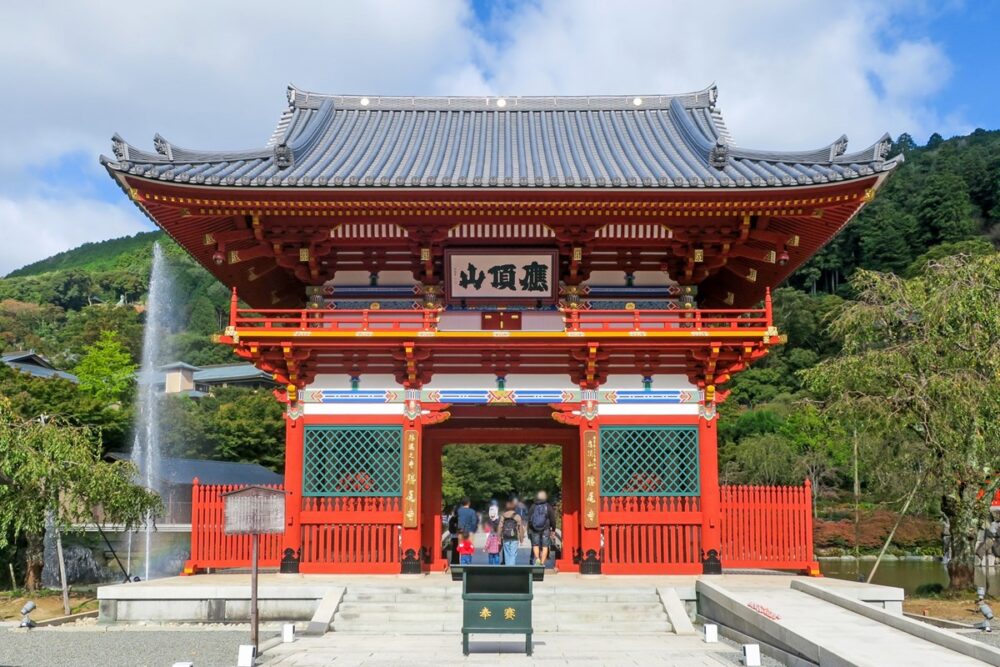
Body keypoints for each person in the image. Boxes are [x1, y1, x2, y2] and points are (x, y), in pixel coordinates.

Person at [527, 490, 558, 567]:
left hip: (534, 529)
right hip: (545, 529)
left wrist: (530, 527)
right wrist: (553, 529)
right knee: (545, 546)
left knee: (535, 545)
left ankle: (537, 559)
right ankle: (542, 563)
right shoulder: (548, 506)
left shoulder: (533, 506)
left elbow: (529, 518)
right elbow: (553, 519)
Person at [500, 498, 525, 566]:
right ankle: (512, 568)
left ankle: (508, 568)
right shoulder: (517, 516)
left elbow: (500, 527)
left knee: (507, 553)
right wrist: (521, 539)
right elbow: (521, 529)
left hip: (505, 537)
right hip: (514, 537)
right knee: (513, 554)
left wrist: (499, 538)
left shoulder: (503, 516)